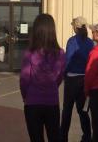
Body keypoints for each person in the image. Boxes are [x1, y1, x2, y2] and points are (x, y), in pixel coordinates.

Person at [20, 14, 66, 142]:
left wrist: (25, 96)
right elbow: (59, 78)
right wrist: (51, 87)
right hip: (52, 101)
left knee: (36, 138)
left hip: (32, 102)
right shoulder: (60, 53)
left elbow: (24, 80)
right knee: (54, 137)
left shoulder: (29, 53)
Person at [60, 16, 94, 142]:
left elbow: (67, 60)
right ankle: (87, 136)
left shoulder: (72, 41)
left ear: (76, 27)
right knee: (83, 110)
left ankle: (63, 137)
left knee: (67, 110)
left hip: (72, 79)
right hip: (85, 79)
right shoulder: (90, 42)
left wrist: (63, 74)